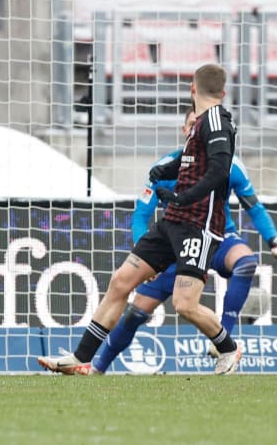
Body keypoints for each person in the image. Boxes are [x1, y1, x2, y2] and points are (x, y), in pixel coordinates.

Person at [38, 63, 243, 375]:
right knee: (121, 281)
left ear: (192, 87)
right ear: (222, 91)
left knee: (185, 305)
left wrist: (185, 196)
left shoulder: (216, 120)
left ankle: (229, 348)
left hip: (198, 226)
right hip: (172, 220)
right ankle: (81, 357)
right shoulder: (200, 123)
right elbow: (195, 164)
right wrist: (169, 172)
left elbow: (218, 171)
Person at [89, 107, 277, 374]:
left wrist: (274, 242)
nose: (198, 132)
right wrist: (145, 256)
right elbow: (141, 216)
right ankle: (97, 368)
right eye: (192, 126)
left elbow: (253, 206)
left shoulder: (229, 166)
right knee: (136, 312)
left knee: (245, 262)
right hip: (175, 246)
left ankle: (223, 344)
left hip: (216, 239)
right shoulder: (166, 167)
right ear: (186, 132)